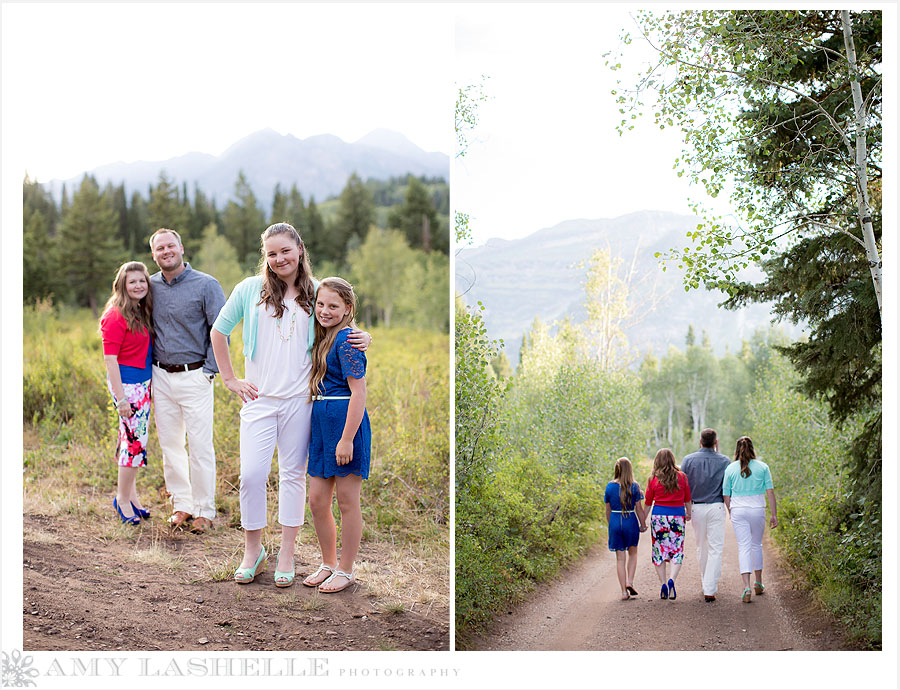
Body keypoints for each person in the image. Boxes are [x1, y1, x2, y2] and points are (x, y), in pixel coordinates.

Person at [210, 224, 371, 586]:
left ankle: (287, 551)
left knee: (293, 477)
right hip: (259, 399)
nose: (279, 258)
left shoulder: (314, 293)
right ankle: (253, 551)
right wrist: (230, 378)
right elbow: (218, 332)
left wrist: (365, 335)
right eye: (271, 253)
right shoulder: (249, 290)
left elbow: (338, 322)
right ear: (264, 257)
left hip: (302, 401)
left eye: (285, 250)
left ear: (300, 249)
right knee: (251, 475)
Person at [149, 228, 226, 534]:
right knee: (170, 445)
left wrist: (209, 370)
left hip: (196, 374)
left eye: (170, 245)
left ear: (181, 247)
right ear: (153, 255)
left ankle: (205, 510)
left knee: (200, 445)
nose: (166, 251)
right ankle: (182, 504)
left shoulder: (206, 285)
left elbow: (220, 330)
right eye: (159, 248)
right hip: (160, 375)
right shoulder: (149, 285)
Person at [302, 277, 372, 594]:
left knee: (347, 501)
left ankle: (346, 569)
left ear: (347, 308)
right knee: (317, 501)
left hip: (345, 425)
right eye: (320, 304)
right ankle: (328, 563)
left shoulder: (347, 341)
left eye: (333, 305)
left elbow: (359, 393)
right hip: (320, 426)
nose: (325, 311)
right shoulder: (323, 337)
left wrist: (346, 439)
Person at [99, 261, 155, 525]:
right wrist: (121, 399)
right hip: (128, 387)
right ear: (122, 284)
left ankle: (132, 496)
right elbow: (110, 360)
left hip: (141, 385)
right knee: (133, 444)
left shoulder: (138, 311)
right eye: (132, 281)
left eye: (142, 281)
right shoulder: (115, 315)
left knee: (132, 442)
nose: (138, 285)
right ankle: (121, 499)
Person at [723, 436, 778, 603]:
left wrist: (731, 510)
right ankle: (758, 583)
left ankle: (746, 587)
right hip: (757, 509)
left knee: (743, 547)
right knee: (756, 545)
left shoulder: (730, 468)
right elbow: (770, 491)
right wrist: (774, 514)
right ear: (752, 448)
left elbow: (726, 493)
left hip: (738, 510)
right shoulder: (763, 467)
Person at [681, 428, 731, 602]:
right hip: (716, 506)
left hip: (696, 508)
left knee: (701, 546)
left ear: (700, 442)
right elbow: (727, 488)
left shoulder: (688, 460)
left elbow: (683, 485)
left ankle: (707, 583)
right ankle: (709, 587)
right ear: (716, 443)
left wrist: (684, 508)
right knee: (716, 548)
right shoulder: (725, 461)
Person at [644, 448, 692, 600]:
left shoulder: (653, 478)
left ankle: (663, 584)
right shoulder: (682, 477)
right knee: (676, 549)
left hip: (658, 517)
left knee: (659, 550)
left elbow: (647, 502)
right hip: (677, 516)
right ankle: (672, 580)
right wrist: (688, 512)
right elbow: (687, 498)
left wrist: (642, 519)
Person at [604, 457, 647, 600]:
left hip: (615, 521)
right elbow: (639, 509)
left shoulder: (609, 486)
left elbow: (608, 510)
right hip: (630, 520)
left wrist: (611, 525)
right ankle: (630, 581)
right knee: (633, 553)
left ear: (617, 469)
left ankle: (623, 592)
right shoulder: (635, 486)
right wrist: (643, 524)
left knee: (620, 559)